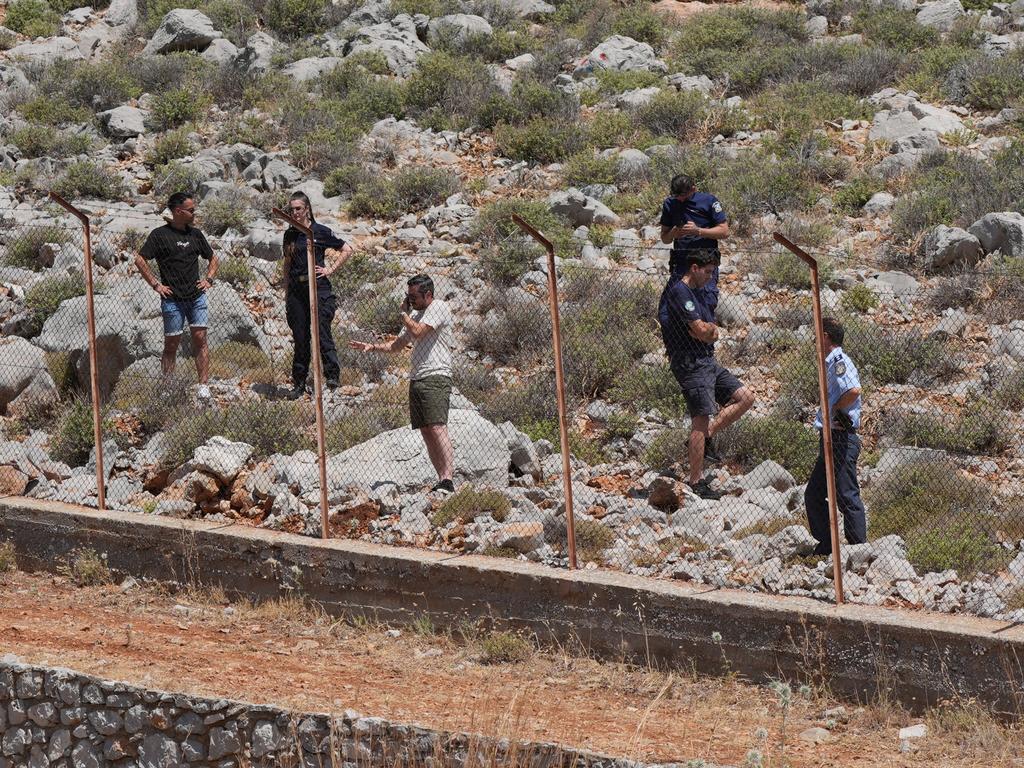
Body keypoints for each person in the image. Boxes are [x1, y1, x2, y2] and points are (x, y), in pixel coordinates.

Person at [658, 250, 754, 500]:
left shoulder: (701, 291)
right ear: (694, 268)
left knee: (745, 397)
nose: (711, 277)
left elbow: (707, 331)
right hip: (690, 363)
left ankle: (706, 437)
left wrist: (709, 331)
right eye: (708, 272)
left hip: (707, 360)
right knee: (700, 417)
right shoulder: (681, 292)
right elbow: (702, 330)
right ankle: (696, 481)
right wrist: (708, 331)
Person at [349, 274, 456, 493]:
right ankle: (441, 479)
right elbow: (397, 346)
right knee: (426, 430)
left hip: (435, 375)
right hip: (417, 377)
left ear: (428, 294)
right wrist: (372, 347)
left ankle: (448, 479)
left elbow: (417, 331)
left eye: (413, 296)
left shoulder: (438, 307)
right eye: (408, 296)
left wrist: (404, 314)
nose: (410, 300)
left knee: (437, 427)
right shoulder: (414, 314)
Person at [134, 192, 218, 400]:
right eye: (191, 210)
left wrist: (209, 279)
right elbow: (140, 260)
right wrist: (156, 284)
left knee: (200, 339)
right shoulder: (159, 235)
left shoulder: (196, 235)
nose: (194, 213)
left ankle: (203, 386)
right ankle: (168, 386)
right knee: (172, 344)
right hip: (172, 300)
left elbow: (213, 258)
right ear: (178, 212)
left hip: (196, 297)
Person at [282, 191, 353, 399]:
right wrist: (286, 293)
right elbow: (287, 264)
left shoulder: (319, 231)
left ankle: (332, 377)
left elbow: (347, 249)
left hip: (319, 288)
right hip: (297, 291)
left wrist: (330, 269)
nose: (295, 213)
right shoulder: (290, 235)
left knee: (322, 333)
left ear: (307, 209)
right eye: (292, 209)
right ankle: (299, 382)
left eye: (298, 209)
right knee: (300, 337)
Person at [805, 317, 866, 556]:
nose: (814, 338)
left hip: (841, 439)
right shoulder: (830, 361)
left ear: (826, 335)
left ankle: (859, 550)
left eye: (817, 333)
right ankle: (827, 545)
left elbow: (853, 390)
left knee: (846, 495)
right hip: (831, 438)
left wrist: (835, 409)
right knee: (814, 494)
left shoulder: (838, 361)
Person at [659, 174, 730, 311]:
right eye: (676, 195)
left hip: (705, 263)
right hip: (681, 263)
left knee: (705, 304)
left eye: (683, 195)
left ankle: (705, 331)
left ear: (693, 189)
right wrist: (674, 233)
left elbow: (725, 231)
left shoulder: (708, 201)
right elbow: (665, 238)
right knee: (668, 308)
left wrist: (698, 231)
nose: (680, 199)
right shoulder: (670, 204)